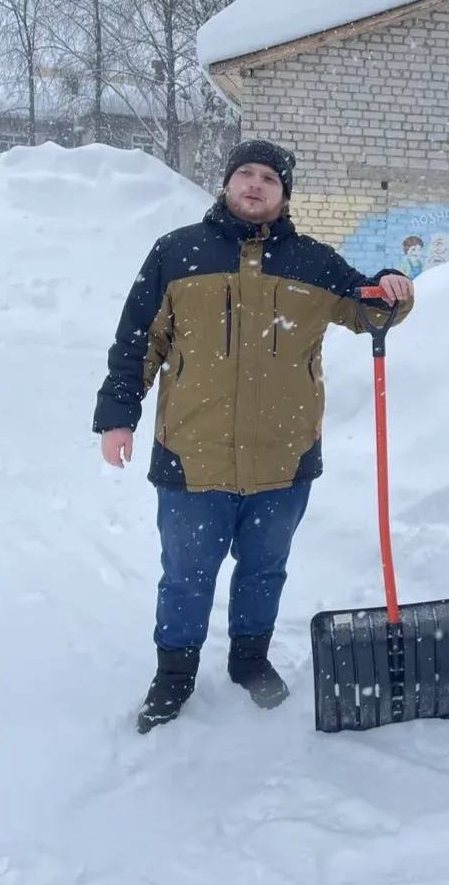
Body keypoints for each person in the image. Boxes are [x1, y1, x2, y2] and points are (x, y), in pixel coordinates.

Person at [93, 139, 414, 734]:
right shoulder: (178, 253)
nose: (257, 184)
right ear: (227, 183)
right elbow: (138, 339)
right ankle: (174, 675)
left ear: (284, 192)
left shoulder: (313, 262)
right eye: (246, 173)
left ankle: (249, 659)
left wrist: (395, 287)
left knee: (265, 569)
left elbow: (370, 308)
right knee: (186, 573)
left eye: (270, 177)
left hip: (283, 458)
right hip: (193, 454)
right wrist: (118, 416)